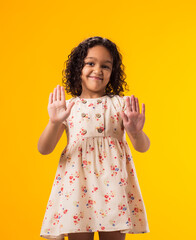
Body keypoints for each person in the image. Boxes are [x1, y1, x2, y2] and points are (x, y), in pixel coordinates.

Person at [38, 36, 150, 240]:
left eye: (105, 66)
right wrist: (54, 122)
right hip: (77, 189)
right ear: (78, 68)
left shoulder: (120, 104)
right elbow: (44, 148)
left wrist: (135, 132)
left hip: (113, 187)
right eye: (90, 63)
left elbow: (142, 147)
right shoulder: (68, 107)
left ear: (112, 72)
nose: (97, 70)